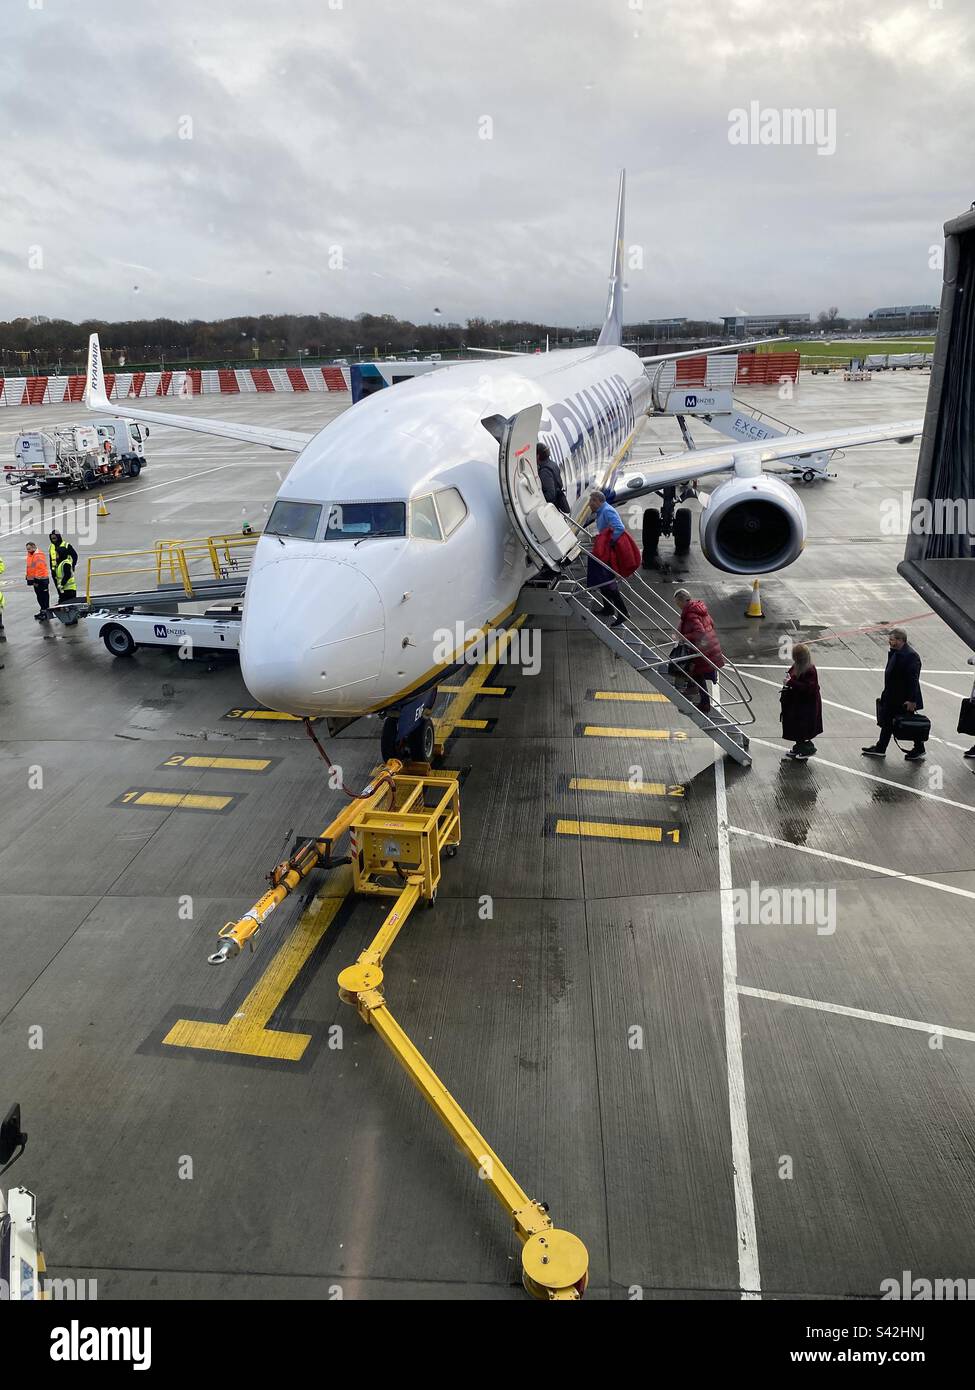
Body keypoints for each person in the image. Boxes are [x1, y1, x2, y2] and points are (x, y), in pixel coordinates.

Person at [862, 628, 925, 761]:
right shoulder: (897, 653)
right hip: (893, 696)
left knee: (906, 723)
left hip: (903, 699)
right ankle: (881, 747)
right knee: (888, 722)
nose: (890, 642)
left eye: (892, 640)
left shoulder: (910, 656)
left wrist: (912, 700)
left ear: (901, 640)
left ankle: (918, 748)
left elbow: (913, 680)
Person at [673, 588, 725, 714]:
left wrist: (684, 637)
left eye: (677, 603)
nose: (677, 605)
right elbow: (711, 624)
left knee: (697, 673)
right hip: (709, 646)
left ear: (682, 601)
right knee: (695, 671)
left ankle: (705, 703)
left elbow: (699, 632)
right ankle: (692, 688)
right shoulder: (699, 609)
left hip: (702, 649)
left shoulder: (690, 614)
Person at [586, 489, 629, 626]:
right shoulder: (602, 511)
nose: (589, 504)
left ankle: (623, 613)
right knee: (602, 579)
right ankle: (608, 608)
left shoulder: (607, 511)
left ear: (599, 501)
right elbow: (606, 530)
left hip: (609, 552)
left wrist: (608, 542)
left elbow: (619, 528)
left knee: (609, 582)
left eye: (592, 501)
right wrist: (599, 538)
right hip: (605, 551)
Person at [779, 643, 823, 760]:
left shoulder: (809, 670)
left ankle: (806, 748)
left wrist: (790, 682)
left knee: (801, 727)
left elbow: (809, 688)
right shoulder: (799, 666)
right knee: (795, 726)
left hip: (805, 706)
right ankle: (799, 747)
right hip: (797, 703)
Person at [536, 442, 571, 516]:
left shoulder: (544, 472)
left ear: (538, 456)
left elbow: (551, 495)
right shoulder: (553, 464)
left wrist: (536, 499)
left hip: (553, 507)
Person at [25, 542, 51, 620]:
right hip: (36, 580)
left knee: (43, 596)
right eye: (27, 549)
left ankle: (46, 612)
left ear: (34, 547)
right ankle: (43, 611)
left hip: (41, 580)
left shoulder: (38, 555)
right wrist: (29, 578)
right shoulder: (31, 555)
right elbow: (30, 568)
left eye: (29, 549)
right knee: (39, 596)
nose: (28, 550)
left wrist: (36, 580)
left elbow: (40, 569)